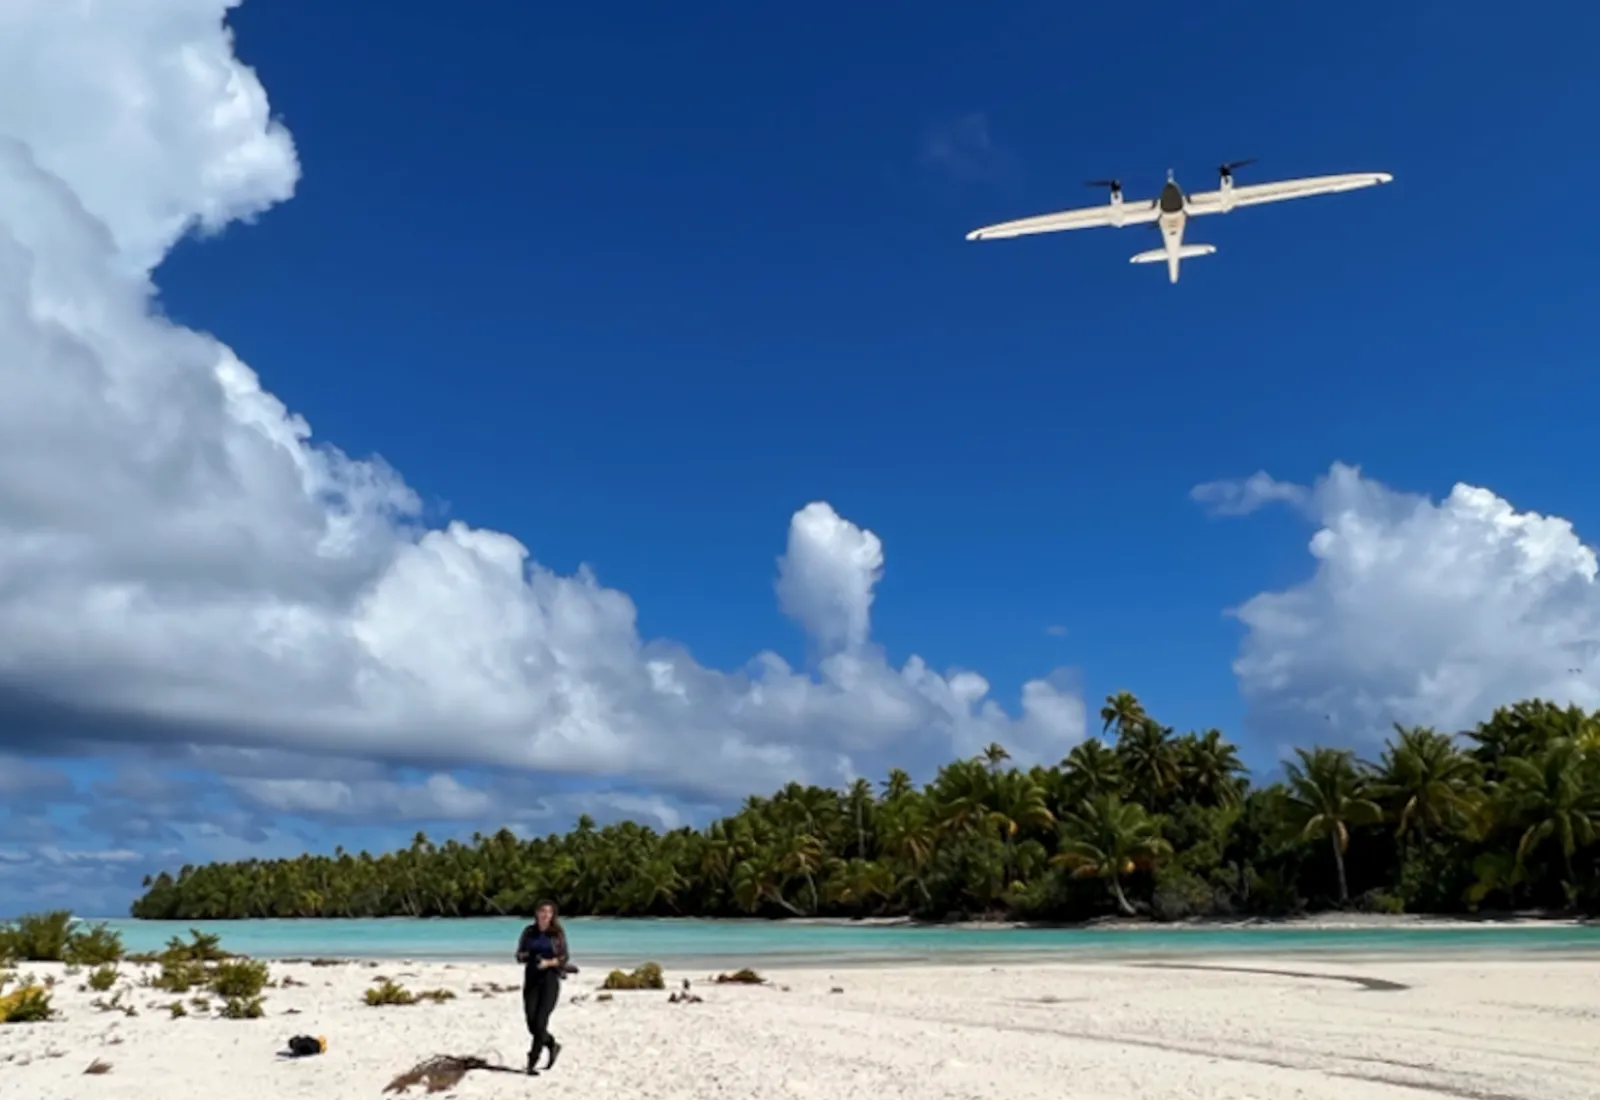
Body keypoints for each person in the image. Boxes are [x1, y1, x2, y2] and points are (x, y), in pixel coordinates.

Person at [514, 899, 569, 1075]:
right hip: (531, 979)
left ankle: (532, 1061)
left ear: (553, 915)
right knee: (531, 1024)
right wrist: (530, 957)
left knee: (540, 1021)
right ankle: (552, 1044)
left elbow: (564, 957)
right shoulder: (529, 932)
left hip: (550, 979)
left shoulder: (557, 933)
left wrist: (548, 962)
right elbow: (519, 955)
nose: (545, 915)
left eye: (549, 912)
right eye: (542, 911)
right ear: (537, 913)